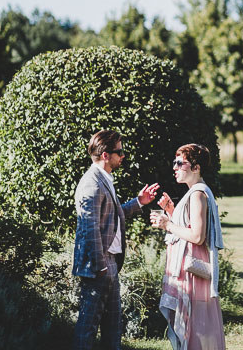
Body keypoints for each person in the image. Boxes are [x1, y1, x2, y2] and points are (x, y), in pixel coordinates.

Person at [73, 129, 160, 350]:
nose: (123, 156)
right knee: (88, 326)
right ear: (105, 155)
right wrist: (100, 265)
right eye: (119, 152)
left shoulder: (104, 179)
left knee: (113, 327)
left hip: (109, 263)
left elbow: (111, 214)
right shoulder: (91, 184)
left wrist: (139, 202)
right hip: (99, 266)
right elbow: (88, 228)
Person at [150, 143, 225, 350]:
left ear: (196, 167)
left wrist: (168, 224)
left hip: (192, 273)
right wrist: (172, 211)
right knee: (194, 327)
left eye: (180, 163)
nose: (175, 167)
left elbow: (197, 236)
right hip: (189, 271)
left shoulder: (197, 194)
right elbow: (190, 227)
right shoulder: (195, 192)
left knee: (196, 328)